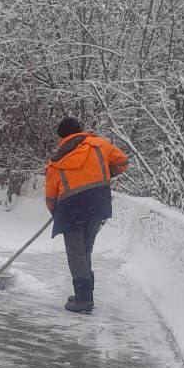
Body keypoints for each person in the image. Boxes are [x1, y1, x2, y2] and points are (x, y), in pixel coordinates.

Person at [44, 116, 128, 314]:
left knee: (76, 253)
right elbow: (122, 162)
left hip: (71, 207)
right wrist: (103, 173)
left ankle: (83, 300)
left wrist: (56, 211)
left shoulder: (56, 161)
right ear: (80, 130)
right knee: (86, 249)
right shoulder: (100, 145)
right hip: (98, 202)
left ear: (61, 137)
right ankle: (85, 296)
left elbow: (50, 196)